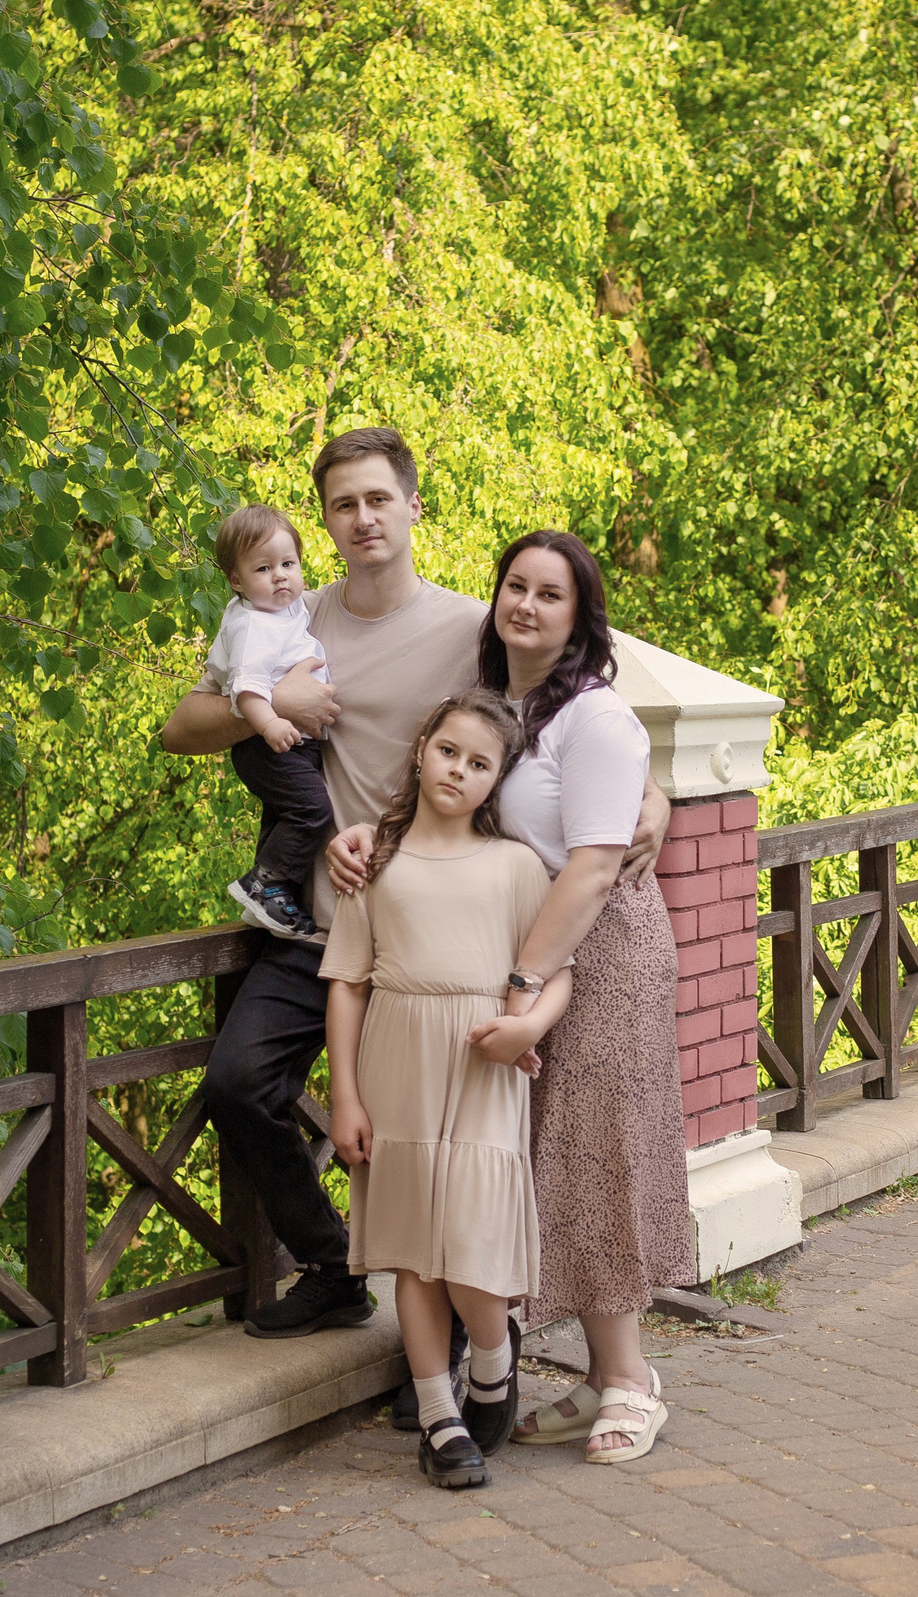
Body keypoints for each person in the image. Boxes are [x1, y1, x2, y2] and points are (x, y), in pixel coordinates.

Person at [158, 426, 669, 1343]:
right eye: (343, 505)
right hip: (319, 922)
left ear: (412, 507)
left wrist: (654, 793)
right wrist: (277, 710)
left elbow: (569, 705)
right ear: (324, 521)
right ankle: (329, 1263)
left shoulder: (470, 627)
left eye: (378, 499)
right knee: (239, 1084)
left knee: (446, 1146)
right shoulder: (285, 618)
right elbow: (183, 725)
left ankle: (466, 1357)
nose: (362, 519)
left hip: (437, 937)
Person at [470, 530, 692, 1465]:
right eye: (513, 586)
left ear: (579, 615)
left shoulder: (593, 715)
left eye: (548, 594)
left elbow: (597, 865)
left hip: (600, 959)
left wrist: (522, 979)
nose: (525, 604)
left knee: (600, 1150)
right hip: (546, 952)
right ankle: (601, 1374)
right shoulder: (511, 705)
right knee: (553, 1152)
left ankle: (635, 1382)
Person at [322, 691, 568, 1489]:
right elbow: (349, 984)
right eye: (448, 750)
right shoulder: (376, 863)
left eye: (479, 762)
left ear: (496, 781)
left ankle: (493, 1364)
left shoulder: (517, 866)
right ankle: (439, 1416)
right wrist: (346, 1097)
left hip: (482, 1067)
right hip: (396, 1060)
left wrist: (527, 1025)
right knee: (413, 1257)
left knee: (470, 1245)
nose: (458, 770)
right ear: (421, 747)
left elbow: (557, 969)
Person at [204, 504, 331, 940]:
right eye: (264, 568)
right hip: (269, 741)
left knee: (282, 818)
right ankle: (264, 886)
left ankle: (274, 903)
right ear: (236, 581)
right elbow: (246, 687)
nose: (280, 576)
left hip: (285, 741)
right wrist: (269, 724)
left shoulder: (282, 610)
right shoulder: (254, 626)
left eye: (288, 564)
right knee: (312, 810)